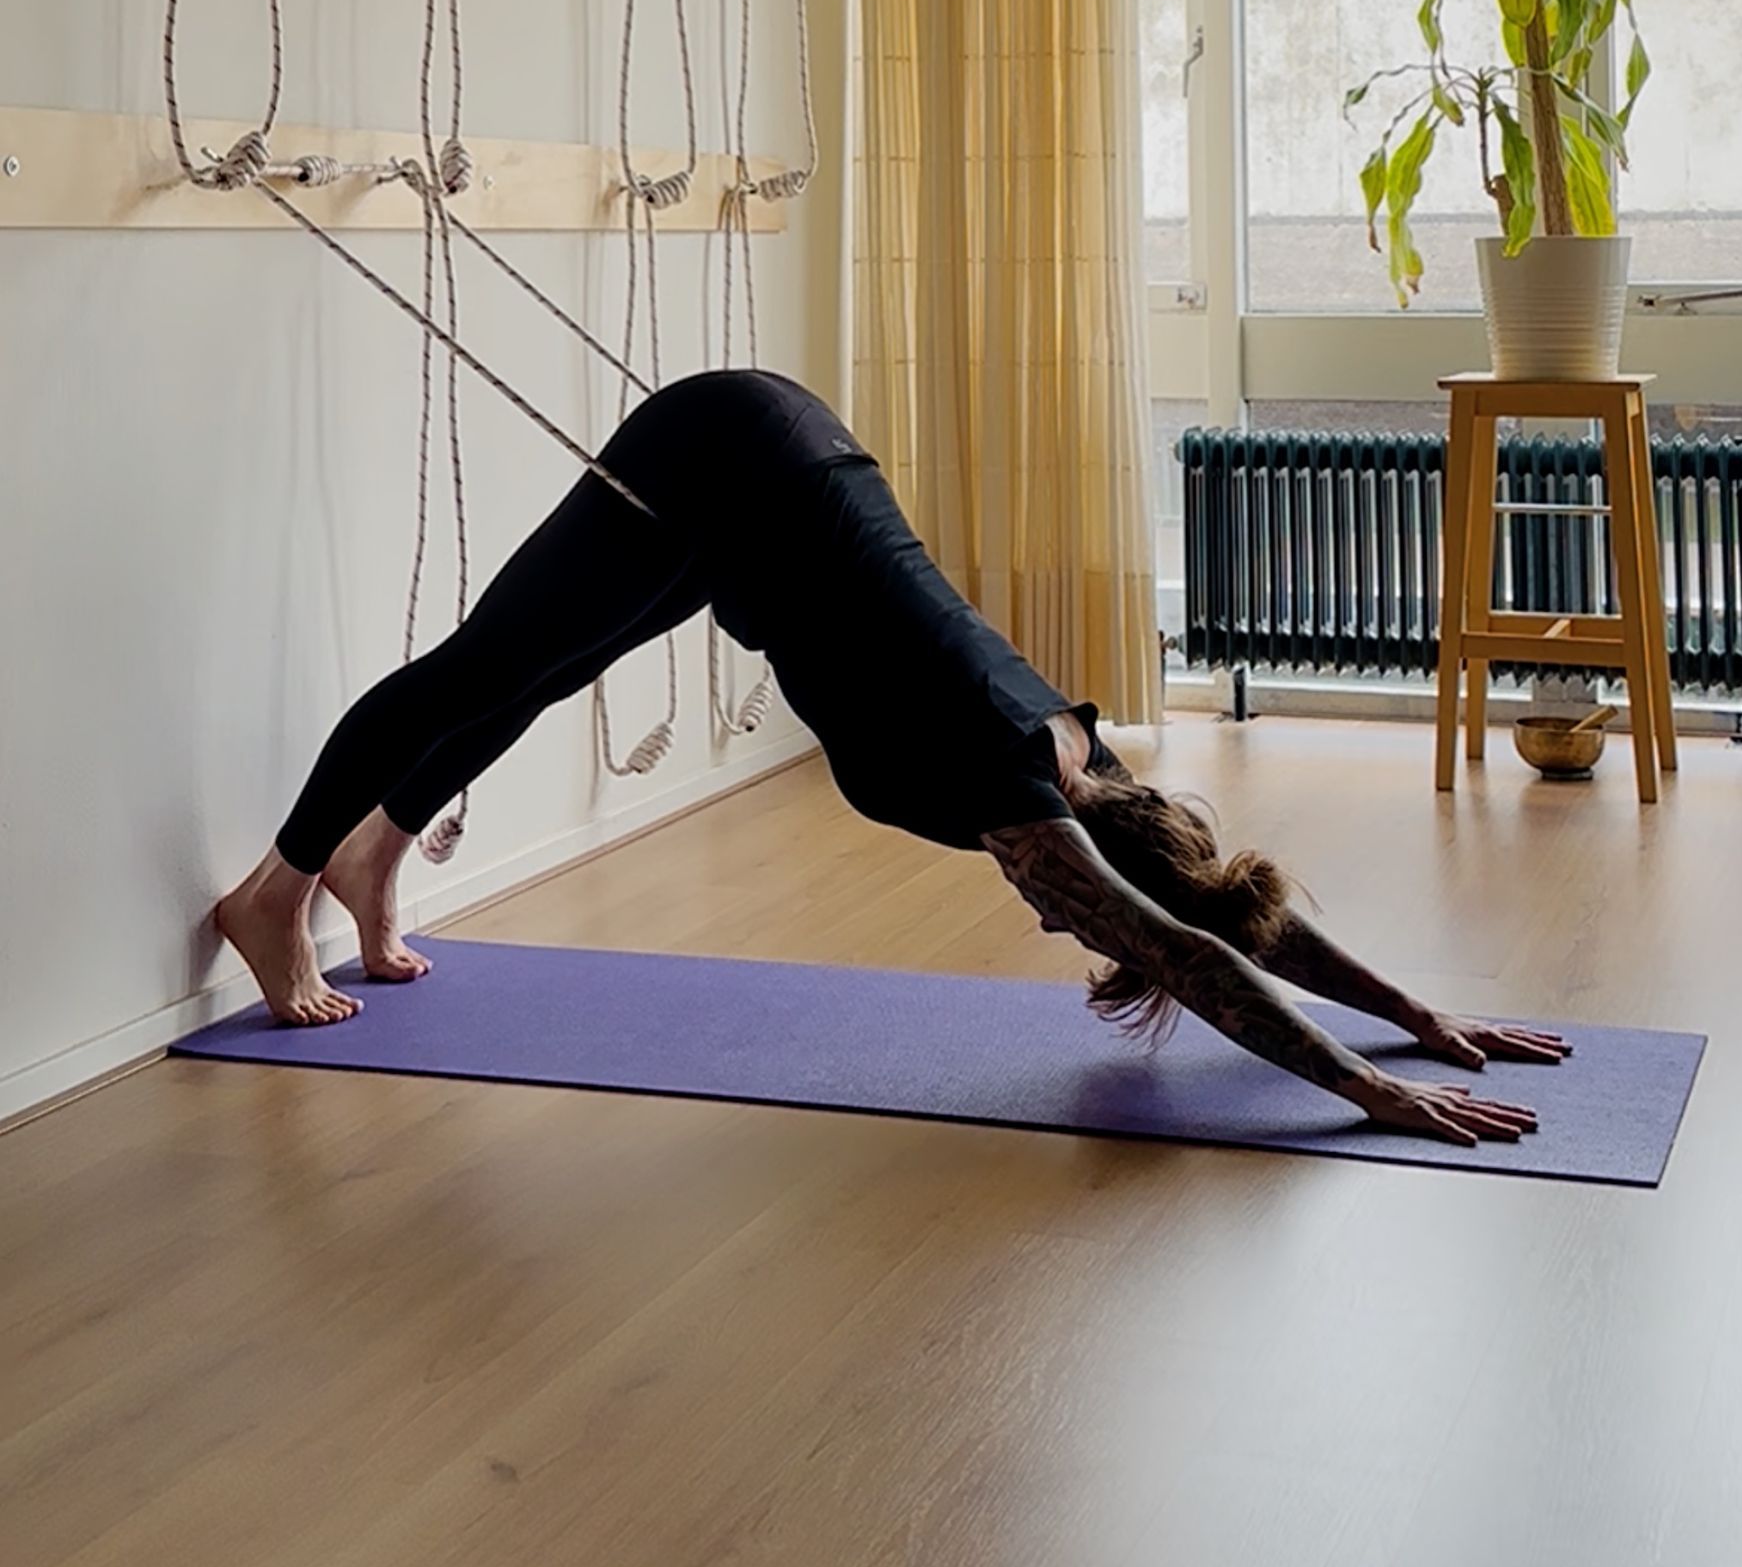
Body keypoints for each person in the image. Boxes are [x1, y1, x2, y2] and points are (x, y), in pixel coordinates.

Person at [215, 370, 1566, 1145]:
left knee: (541, 667)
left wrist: (1417, 1014)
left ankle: (371, 858)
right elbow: (1184, 949)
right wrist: (1371, 1087)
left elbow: (1217, 907)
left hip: (783, 468)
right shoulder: (1015, 785)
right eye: (1071, 912)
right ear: (1081, 859)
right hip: (729, 457)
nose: (1053, 916)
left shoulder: (1082, 751)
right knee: (480, 667)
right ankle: (276, 891)